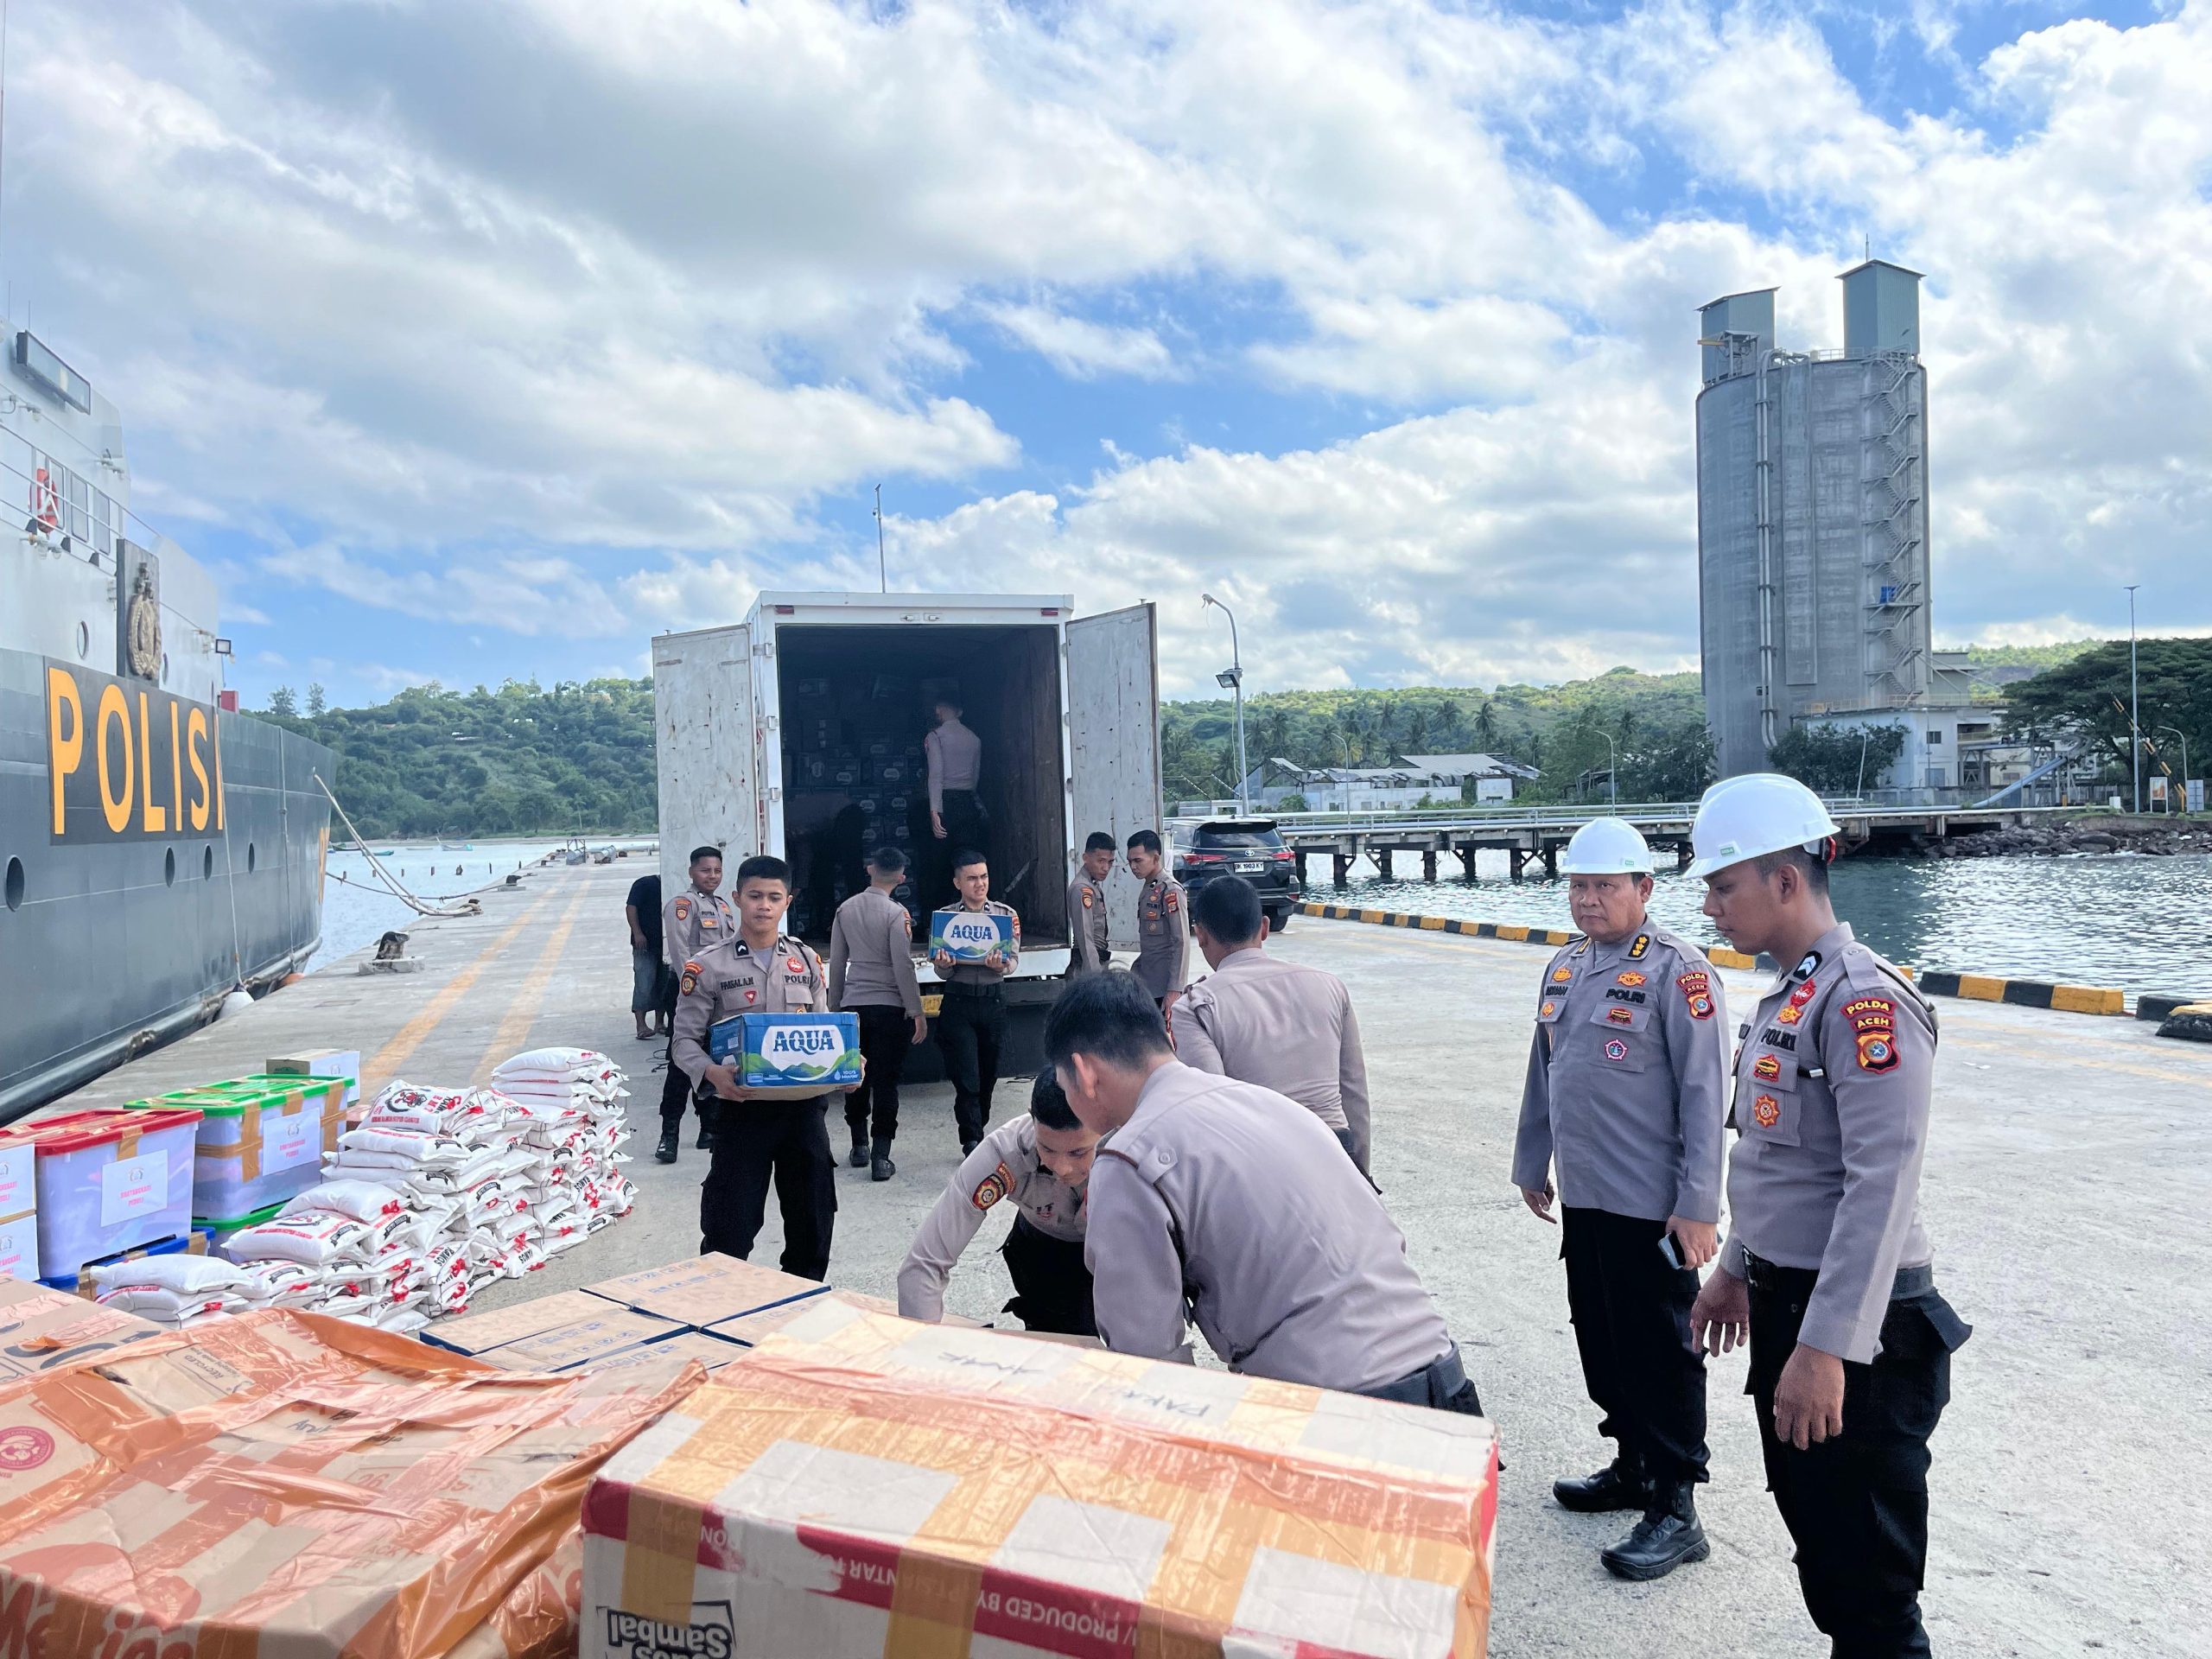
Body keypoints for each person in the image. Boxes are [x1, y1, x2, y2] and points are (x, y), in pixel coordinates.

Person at [1685, 774, 1971, 1658]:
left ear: (1784, 881)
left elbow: (1880, 1184)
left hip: (1862, 1330)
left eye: (1722, 885)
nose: (1710, 907)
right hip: (1792, 1303)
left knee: (1871, 1583)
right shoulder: (1792, 995)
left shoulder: (1863, 1001)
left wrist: (1827, 1350)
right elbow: (1779, 1164)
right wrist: (1736, 1267)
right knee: (1825, 1545)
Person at [1047, 972, 1484, 1414]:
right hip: (1448, 1392)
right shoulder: (1272, 1105)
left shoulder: (1128, 1159)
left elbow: (1149, 1364)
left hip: (1341, 1419)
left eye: (1064, 1087)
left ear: (1085, 1073)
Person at [1512, 817, 1731, 1581]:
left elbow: (1706, 1096)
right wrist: (1531, 1161)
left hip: (1652, 1204)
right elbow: (1545, 1073)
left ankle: (1676, 1505)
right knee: (1601, 1336)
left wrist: (1699, 1206)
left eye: (1605, 885)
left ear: (1644, 888)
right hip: (1588, 1196)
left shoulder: (1681, 972)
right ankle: (1633, 1464)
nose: (1587, 899)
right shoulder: (1565, 966)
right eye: (1578, 885)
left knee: (1662, 1350)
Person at [671, 854, 854, 1281]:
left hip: (803, 1112)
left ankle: (801, 1303)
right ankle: (724, 1308)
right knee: (729, 1228)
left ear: (788, 901)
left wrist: (848, 1062)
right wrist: (711, 1073)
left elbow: (825, 1029)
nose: (764, 906)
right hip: (742, 1111)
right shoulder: (708, 965)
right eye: (755, 896)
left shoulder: (805, 960)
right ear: (737, 898)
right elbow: (682, 1042)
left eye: (774, 897)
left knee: (813, 1222)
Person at [1175, 875, 1373, 1173]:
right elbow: (1354, 1092)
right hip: (1335, 1149)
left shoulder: (1195, 1006)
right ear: (1265, 928)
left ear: (1200, 934)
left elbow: (1212, 1109)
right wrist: (1361, 1175)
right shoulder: (1329, 985)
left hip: (1263, 1160)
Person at [897, 1069, 1100, 1335]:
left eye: (1078, 1152)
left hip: (1117, 1249)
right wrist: (920, 1348)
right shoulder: (1004, 1151)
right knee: (1054, 1341)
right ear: (1032, 1119)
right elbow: (925, 1262)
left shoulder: (1131, 1148)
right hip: (1044, 1252)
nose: (1062, 1168)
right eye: (1047, 1149)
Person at [828, 846, 927, 1183]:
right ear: (901, 878)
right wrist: (916, 1010)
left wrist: (835, 1009)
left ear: (870, 869)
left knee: (854, 1077)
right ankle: (881, 1157)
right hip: (889, 1008)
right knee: (886, 1082)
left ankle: (859, 1145)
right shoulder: (897, 914)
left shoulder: (845, 909)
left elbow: (837, 964)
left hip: (853, 1006)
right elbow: (903, 965)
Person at [930, 851, 1020, 1156]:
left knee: (989, 1073)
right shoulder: (945, 919)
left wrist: (1001, 966)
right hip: (959, 1000)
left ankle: (978, 1126)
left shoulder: (1005, 915)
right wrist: (944, 965)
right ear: (958, 883)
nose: (980, 884)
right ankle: (972, 1140)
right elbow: (940, 970)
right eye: (971, 878)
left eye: (984, 877)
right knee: (966, 1075)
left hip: (994, 1000)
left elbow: (1013, 961)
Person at [656, 847, 735, 1163]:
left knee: (715, 1056)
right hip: (687, 990)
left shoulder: (724, 907)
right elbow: (679, 953)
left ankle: (708, 1130)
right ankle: (669, 1135)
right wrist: (689, 989)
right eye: (705, 870)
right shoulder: (682, 905)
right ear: (691, 872)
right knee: (680, 1061)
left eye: (717, 870)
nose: (712, 876)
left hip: (718, 994)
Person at [1124, 830, 1187, 1007]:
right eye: (1130, 861)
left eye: (1138, 861)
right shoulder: (1150, 888)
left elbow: (1181, 941)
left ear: (1155, 858)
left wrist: (1175, 989)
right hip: (1147, 982)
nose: (1133, 867)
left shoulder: (1170, 890)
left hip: (1164, 987)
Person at [926, 693, 987, 849]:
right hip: (968, 801)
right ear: (959, 712)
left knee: (944, 851)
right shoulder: (974, 738)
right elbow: (975, 775)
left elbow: (936, 775)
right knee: (967, 850)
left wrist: (935, 811)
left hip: (946, 801)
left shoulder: (936, 736)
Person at [1066, 832, 1116, 976]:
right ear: (1086, 858)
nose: (1106, 868)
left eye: (1110, 862)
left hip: (1095, 961)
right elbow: (1085, 938)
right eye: (1101, 861)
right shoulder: (1082, 889)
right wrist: (1094, 976)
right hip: (1086, 966)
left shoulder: (1092, 885)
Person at [624, 869, 665, 1041]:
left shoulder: (676, 887)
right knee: (644, 982)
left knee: (664, 983)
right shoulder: (644, 884)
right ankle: (641, 1025)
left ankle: (659, 1023)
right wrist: (637, 933)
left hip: (666, 944)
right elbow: (631, 908)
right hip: (644, 944)